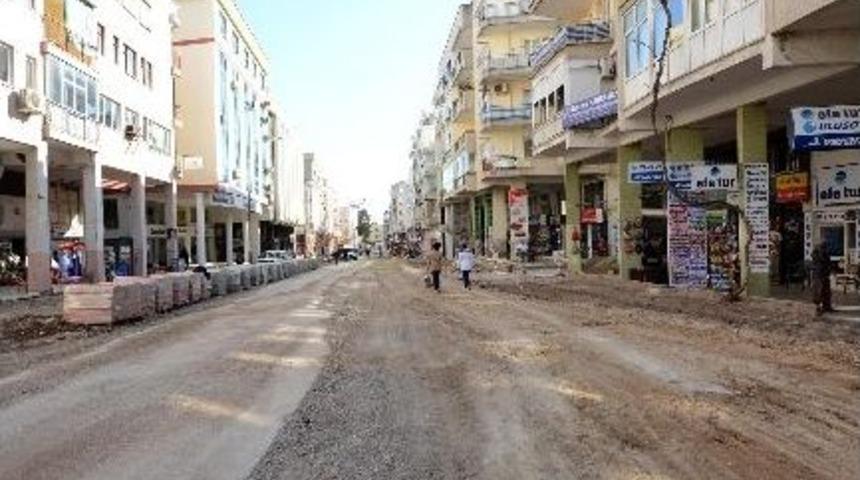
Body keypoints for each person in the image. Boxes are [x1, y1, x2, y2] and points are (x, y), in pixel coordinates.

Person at [811, 242, 833, 315]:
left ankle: (827, 306)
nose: (825, 249)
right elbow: (820, 263)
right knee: (819, 292)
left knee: (826, 291)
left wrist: (828, 271)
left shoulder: (825, 254)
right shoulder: (817, 255)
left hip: (824, 274)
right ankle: (818, 308)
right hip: (819, 275)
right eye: (823, 247)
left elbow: (828, 263)